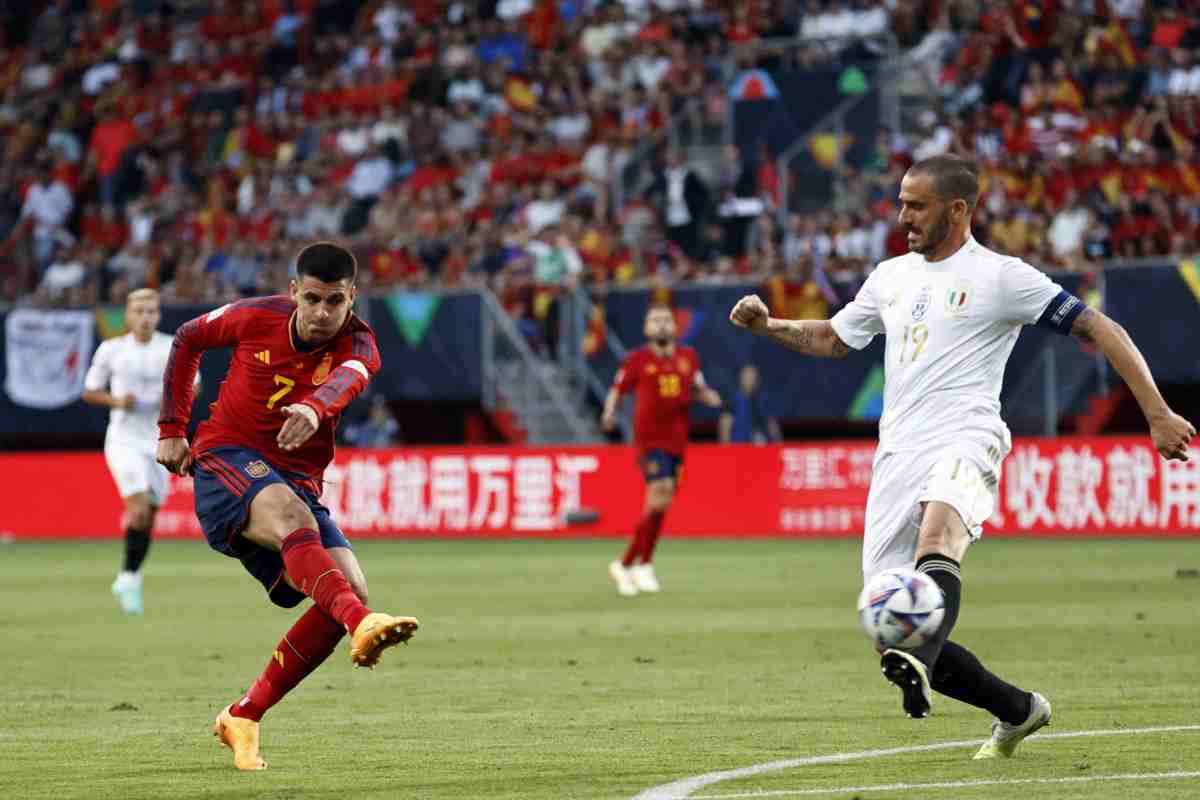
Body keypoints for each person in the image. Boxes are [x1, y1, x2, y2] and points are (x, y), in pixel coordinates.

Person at [729, 155, 1194, 759]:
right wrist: (768, 326)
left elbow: (1102, 328)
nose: (902, 217)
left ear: (957, 210)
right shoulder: (890, 277)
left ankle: (919, 661)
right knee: (889, 627)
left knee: (938, 539)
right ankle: (1018, 709)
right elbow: (834, 340)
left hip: (967, 435)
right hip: (897, 453)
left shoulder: (1001, 277)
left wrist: (1157, 412)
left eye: (916, 206)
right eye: (901, 203)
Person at [156, 242, 420, 771]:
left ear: (352, 298)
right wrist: (171, 427)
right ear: (295, 291)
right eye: (313, 299)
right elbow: (188, 338)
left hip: (295, 482)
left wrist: (315, 406)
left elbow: (349, 378)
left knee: (347, 588)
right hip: (225, 459)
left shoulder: (360, 343)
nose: (323, 313)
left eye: (335, 302)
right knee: (327, 569)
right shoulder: (256, 315)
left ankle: (244, 715)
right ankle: (362, 623)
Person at [83, 288, 193, 615]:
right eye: (139, 311)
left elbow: (195, 384)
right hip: (124, 440)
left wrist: (172, 397)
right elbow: (90, 391)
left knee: (150, 515)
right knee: (140, 508)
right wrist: (117, 401)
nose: (146, 317)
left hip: (161, 440)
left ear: (158, 315)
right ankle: (130, 578)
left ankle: (129, 576)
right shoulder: (112, 349)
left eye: (151, 311)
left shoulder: (172, 346)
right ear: (128, 316)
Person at [601, 304, 722, 596]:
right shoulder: (637, 359)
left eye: (666, 320)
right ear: (646, 328)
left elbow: (698, 387)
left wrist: (708, 396)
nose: (662, 325)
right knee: (660, 491)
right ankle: (639, 564)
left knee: (661, 504)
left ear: (674, 326)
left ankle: (631, 564)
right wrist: (609, 412)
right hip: (649, 440)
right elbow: (618, 390)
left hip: (677, 440)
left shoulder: (688, 357)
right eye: (655, 320)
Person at [718, 364, 782, 444]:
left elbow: (772, 425)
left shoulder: (763, 400)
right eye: (746, 375)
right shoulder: (732, 401)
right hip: (739, 447)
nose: (749, 379)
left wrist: (779, 445)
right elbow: (724, 427)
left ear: (758, 379)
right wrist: (726, 449)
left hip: (762, 446)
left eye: (752, 375)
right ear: (740, 378)